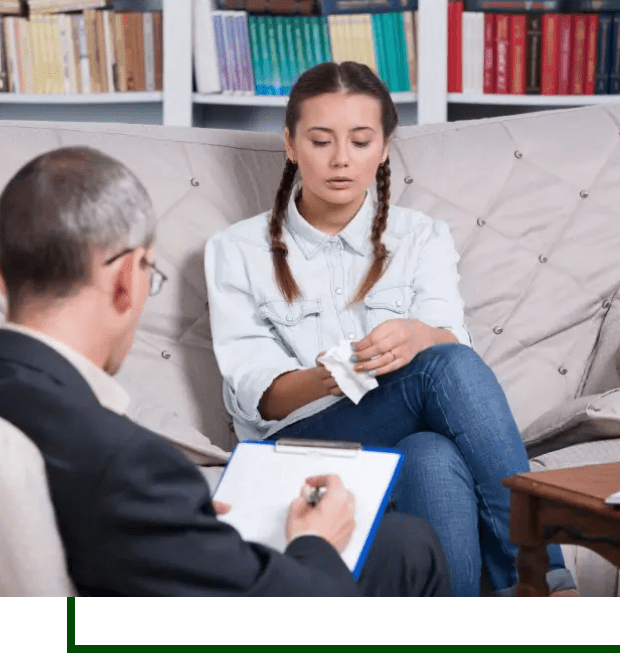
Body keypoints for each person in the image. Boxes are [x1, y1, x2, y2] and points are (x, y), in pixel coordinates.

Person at [0, 146, 451, 597]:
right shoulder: (127, 464)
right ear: (126, 280)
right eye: (150, 274)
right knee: (412, 547)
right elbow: (301, 618)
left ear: (1, 276)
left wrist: (178, 523)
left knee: (400, 542)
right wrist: (317, 540)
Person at [204, 62, 579, 597]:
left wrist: (420, 337)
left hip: (400, 432)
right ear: (290, 144)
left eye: (360, 141)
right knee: (442, 370)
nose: (340, 160)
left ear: (382, 149)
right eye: (320, 140)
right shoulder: (235, 250)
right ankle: (543, 581)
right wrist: (333, 375)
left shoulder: (421, 237)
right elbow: (254, 397)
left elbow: (454, 347)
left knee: (433, 452)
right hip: (299, 446)